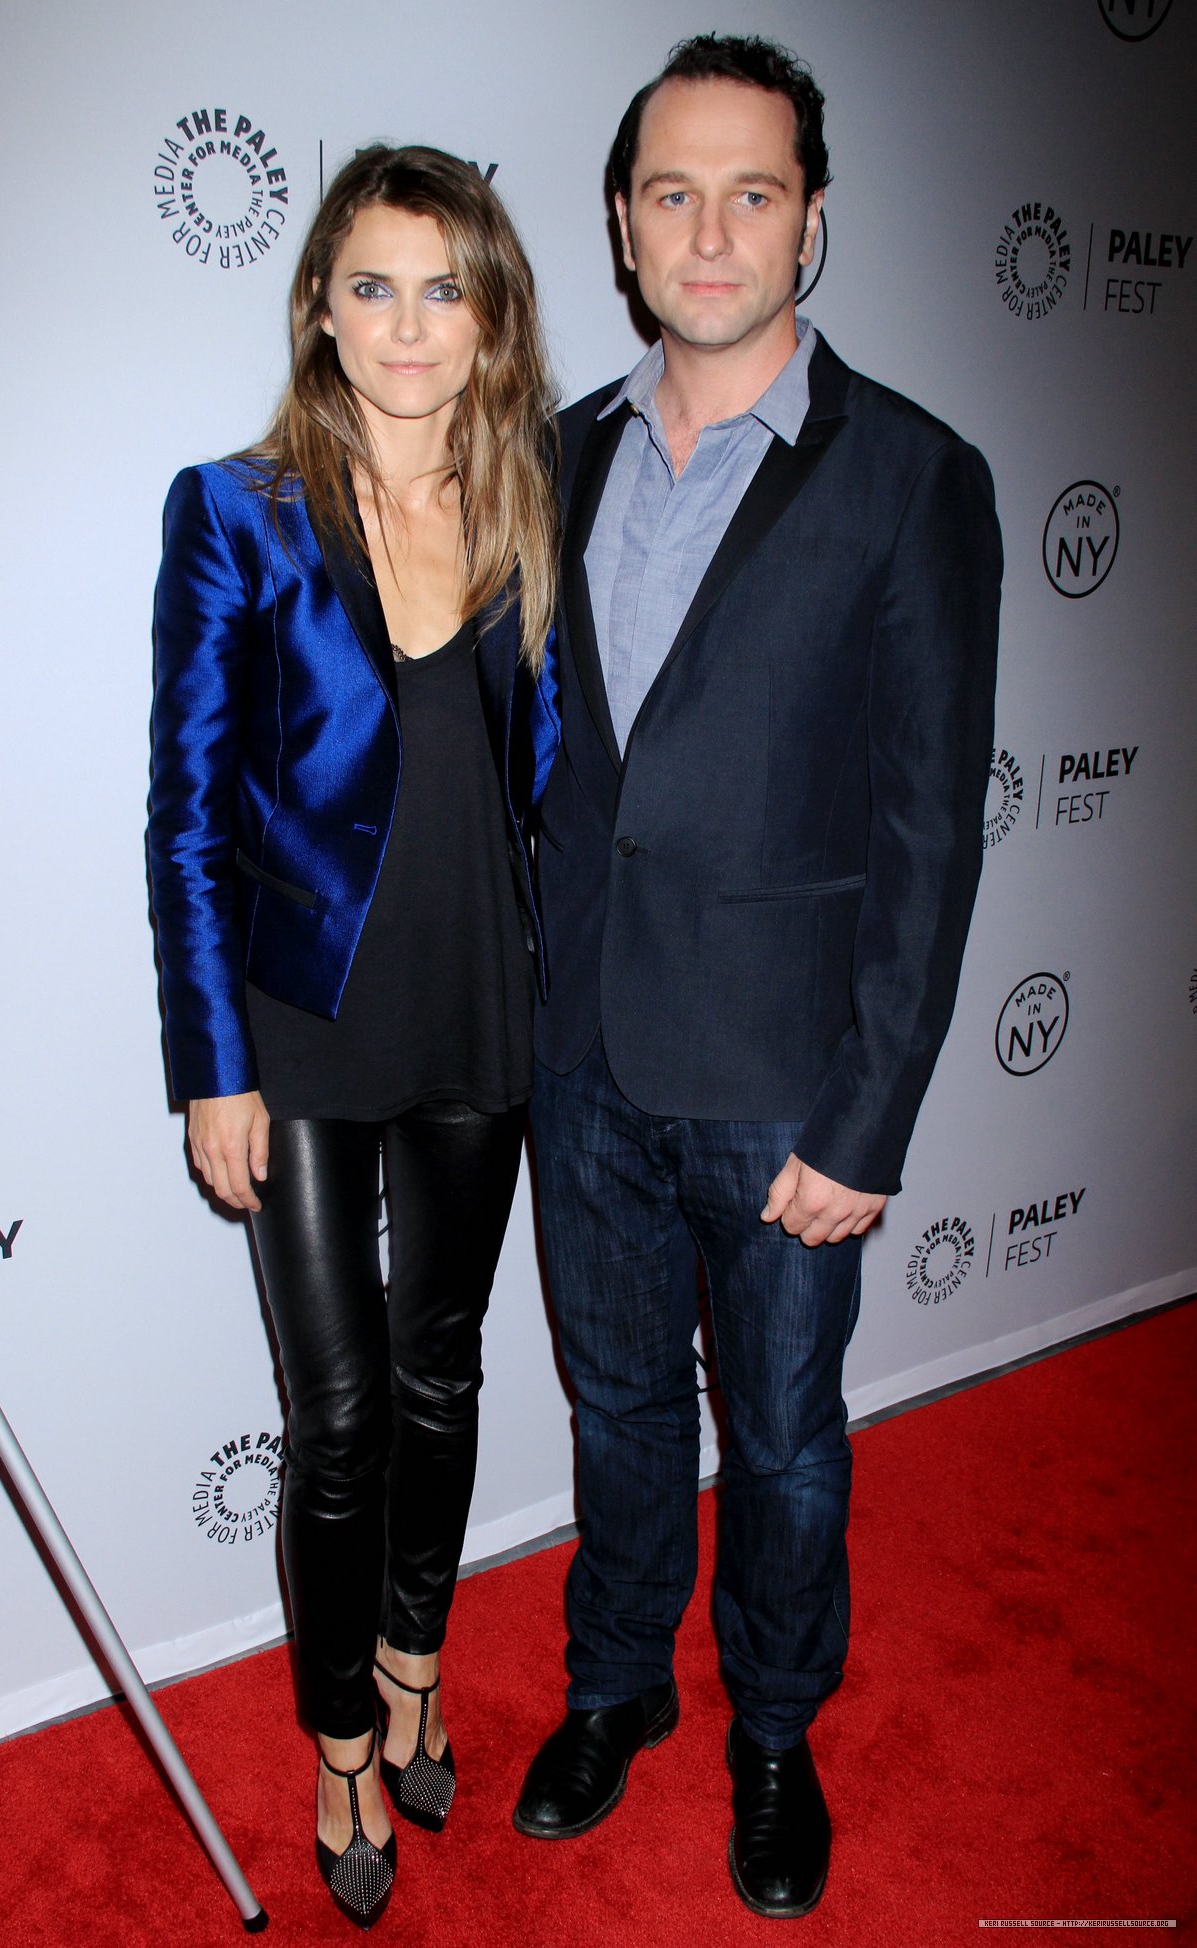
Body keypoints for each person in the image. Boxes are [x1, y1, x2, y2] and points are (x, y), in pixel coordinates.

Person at [513, 34, 1001, 1921]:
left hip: (788, 1083)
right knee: (617, 1406)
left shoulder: (914, 479)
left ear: (813, 224)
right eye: (671, 192)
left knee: (784, 1435)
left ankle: (776, 1735)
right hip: (585, 1057)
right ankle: (618, 1685)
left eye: (752, 190)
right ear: (627, 232)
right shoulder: (554, 455)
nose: (708, 229)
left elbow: (929, 832)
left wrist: (870, 1115)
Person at [148, 144, 559, 1931]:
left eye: (444, 285)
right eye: (373, 283)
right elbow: (184, 812)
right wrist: (208, 1058)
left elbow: (547, 777)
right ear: (320, 301)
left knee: (444, 1370)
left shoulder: (537, 491)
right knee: (333, 1414)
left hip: (482, 998)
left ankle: (413, 1662)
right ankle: (336, 1748)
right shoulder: (237, 507)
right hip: (303, 1027)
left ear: (490, 315)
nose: (409, 322)